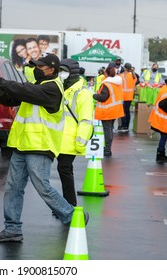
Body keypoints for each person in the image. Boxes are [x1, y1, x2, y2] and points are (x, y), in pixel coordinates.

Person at [0, 54, 87, 242]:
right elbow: (12, 97)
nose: (36, 69)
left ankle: (72, 215)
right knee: (13, 188)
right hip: (22, 144)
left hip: (40, 145)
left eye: (40, 66)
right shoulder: (37, 86)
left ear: (51, 69)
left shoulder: (53, 88)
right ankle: (12, 229)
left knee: (42, 186)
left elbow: (22, 90)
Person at [57, 59, 94, 206]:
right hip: (59, 138)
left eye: (64, 71)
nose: (61, 74)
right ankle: (68, 204)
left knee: (64, 169)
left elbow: (86, 120)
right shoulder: (62, 88)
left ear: (72, 73)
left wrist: (80, 142)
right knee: (65, 171)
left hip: (71, 140)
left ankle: (69, 205)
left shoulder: (83, 93)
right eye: (60, 70)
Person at [93, 65, 124, 157]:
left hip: (107, 110)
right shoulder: (117, 82)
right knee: (110, 130)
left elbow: (103, 97)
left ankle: (107, 150)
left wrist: (94, 95)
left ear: (106, 73)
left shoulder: (106, 84)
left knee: (107, 130)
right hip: (115, 109)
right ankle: (108, 148)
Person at [148, 76, 167, 163]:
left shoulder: (165, 89)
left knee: (163, 137)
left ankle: (161, 154)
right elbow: (162, 105)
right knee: (164, 137)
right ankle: (160, 155)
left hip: (160, 117)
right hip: (164, 119)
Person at [119, 63, 137, 133]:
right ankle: (127, 126)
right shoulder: (133, 76)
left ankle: (123, 126)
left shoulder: (121, 75)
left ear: (125, 68)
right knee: (127, 111)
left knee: (123, 112)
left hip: (122, 96)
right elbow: (135, 80)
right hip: (129, 96)